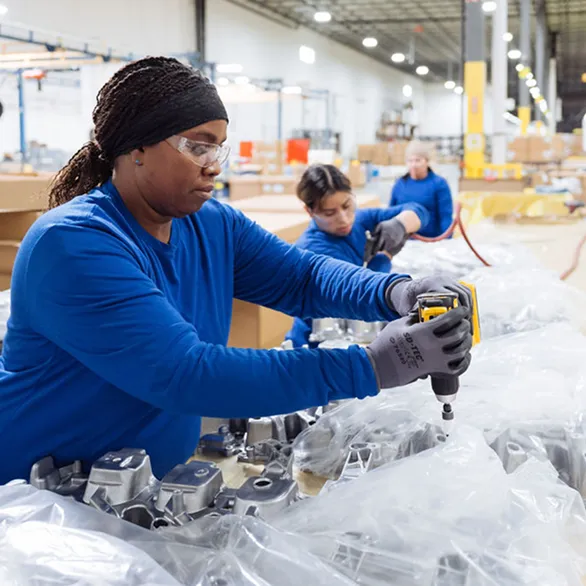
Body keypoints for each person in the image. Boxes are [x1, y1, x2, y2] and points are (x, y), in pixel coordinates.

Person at [0, 57, 473, 484]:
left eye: (218, 149)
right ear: (137, 147)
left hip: (145, 489)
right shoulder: (73, 243)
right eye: (198, 147)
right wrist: (372, 365)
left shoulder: (209, 224)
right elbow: (188, 374)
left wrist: (397, 292)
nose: (213, 167)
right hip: (45, 503)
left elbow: (302, 278)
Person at [284, 164, 432, 348]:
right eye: (330, 213)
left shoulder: (360, 220)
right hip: (317, 345)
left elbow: (420, 211)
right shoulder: (312, 248)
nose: (344, 218)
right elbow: (356, 293)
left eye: (347, 205)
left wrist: (400, 224)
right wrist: (384, 257)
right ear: (310, 211)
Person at [389, 141, 454, 238]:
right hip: (403, 241)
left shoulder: (439, 184)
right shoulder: (400, 184)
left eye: (417, 160)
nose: (413, 165)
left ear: (427, 161)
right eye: (410, 161)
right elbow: (390, 213)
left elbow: (445, 216)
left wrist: (446, 240)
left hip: (430, 241)